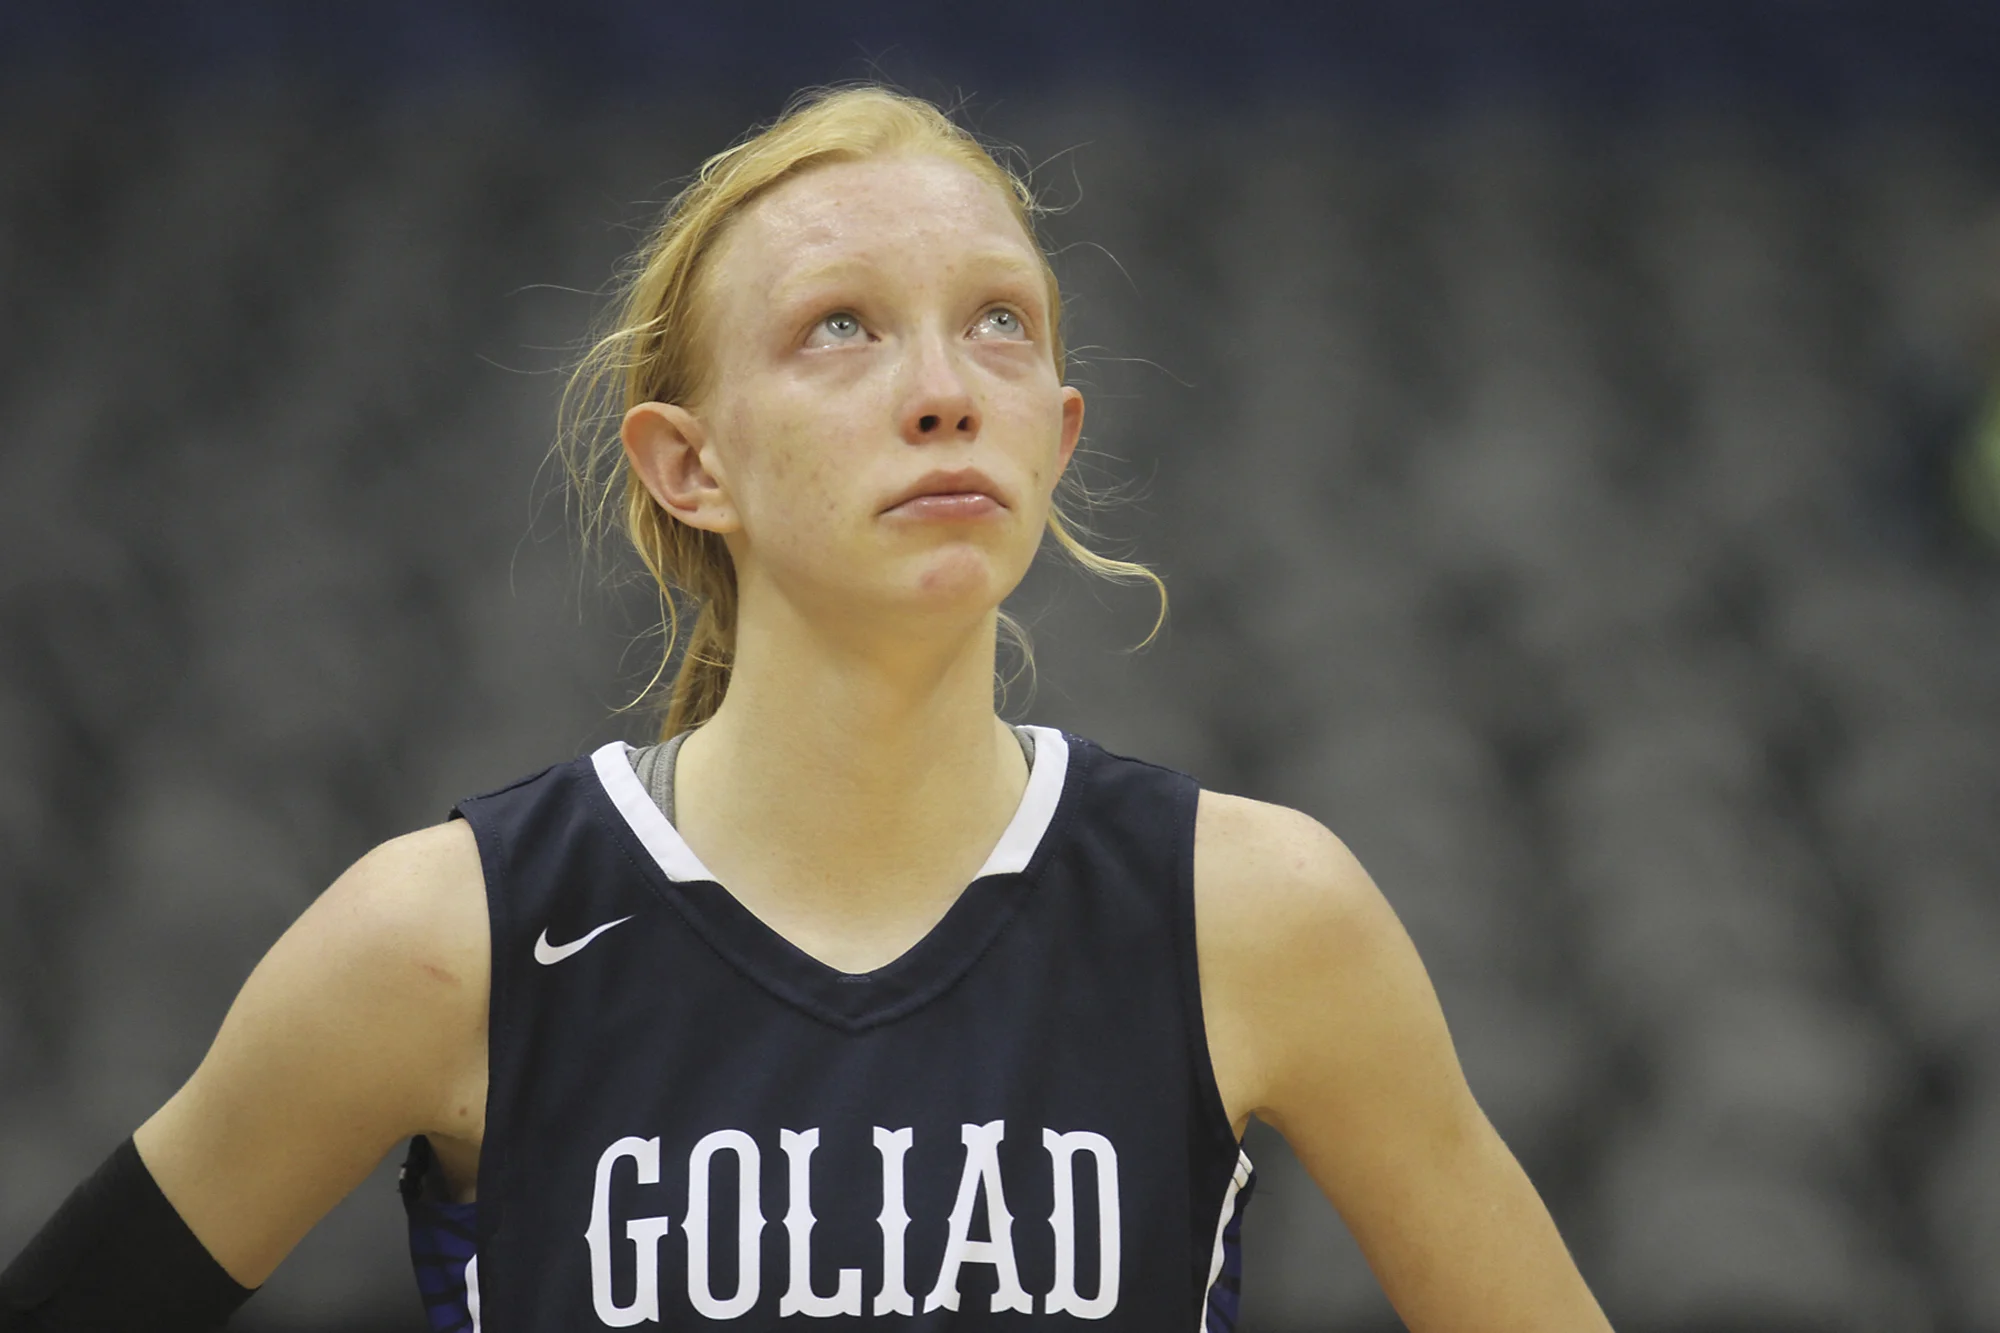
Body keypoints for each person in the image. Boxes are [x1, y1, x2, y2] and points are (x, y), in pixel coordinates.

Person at [0, 85, 1614, 1332]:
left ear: (1053, 439)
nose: (940, 384)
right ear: (688, 465)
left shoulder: (1256, 915)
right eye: (840, 326)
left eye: (999, 321)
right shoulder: (446, 941)